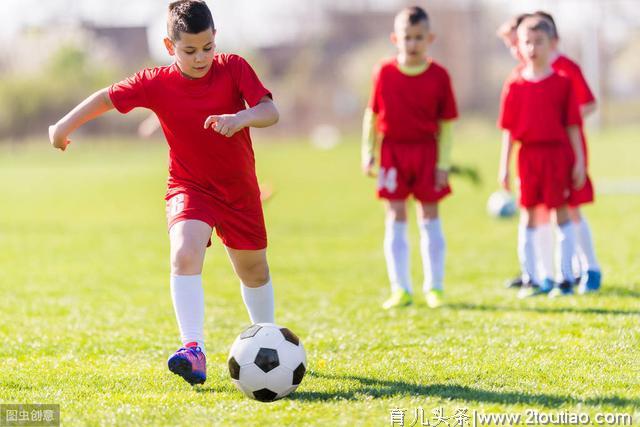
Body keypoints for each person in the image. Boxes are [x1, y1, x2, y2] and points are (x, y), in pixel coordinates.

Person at [48, 0, 279, 385]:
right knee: (184, 252)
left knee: (253, 271)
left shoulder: (234, 67)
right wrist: (62, 126)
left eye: (207, 47)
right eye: (189, 50)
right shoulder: (156, 81)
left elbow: (269, 111)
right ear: (170, 47)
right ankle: (192, 349)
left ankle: (269, 341)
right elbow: (106, 97)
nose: (201, 57)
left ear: (215, 39)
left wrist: (240, 118)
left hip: (238, 191)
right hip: (189, 186)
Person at [497, 12, 601, 294]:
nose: (525, 49)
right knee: (535, 216)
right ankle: (541, 275)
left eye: (537, 41)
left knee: (569, 211)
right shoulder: (517, 80)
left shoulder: (565, 72)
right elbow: (509, 127)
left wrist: (553, 118)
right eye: (520, 43)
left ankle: (587, 269)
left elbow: (586, 106)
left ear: (551, 41)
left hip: (562, 152)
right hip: (531, 157)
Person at [362, 6, 458, 309]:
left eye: (419, 37)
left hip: (426, 152)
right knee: (396, 215)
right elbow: (372, 115)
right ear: (395, 38)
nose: (413, 43)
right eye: (407, 37)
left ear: (430, 38)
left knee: (429, 216)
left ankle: (435, 288)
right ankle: (400, 288)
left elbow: (447, 124)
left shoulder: (439, 75)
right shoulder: (384, 72)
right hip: (393, 151)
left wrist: (443, 163)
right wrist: (368, 152)